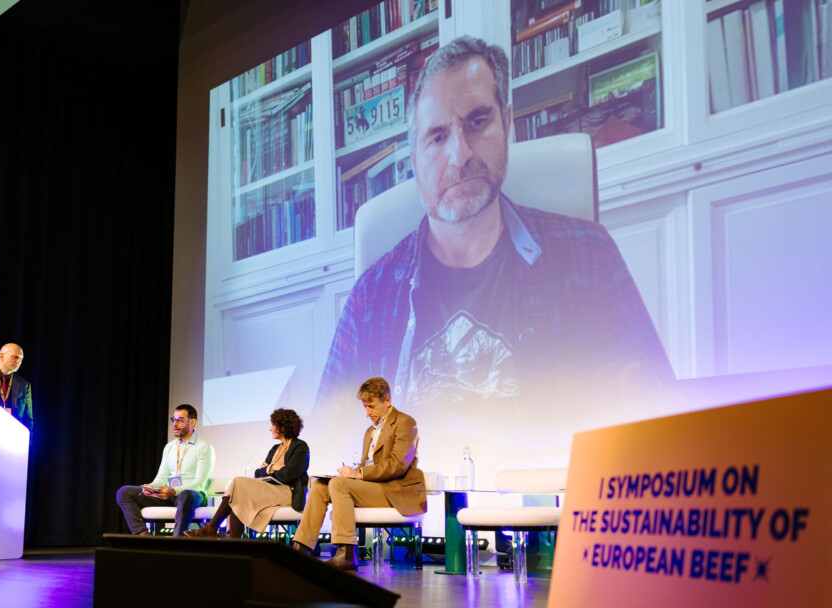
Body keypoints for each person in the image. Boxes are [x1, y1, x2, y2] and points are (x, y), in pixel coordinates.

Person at [315, 36, 673, 427]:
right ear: (414, 160)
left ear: (508, 125)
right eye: (437, 137)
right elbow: (324, 444)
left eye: (478, 122)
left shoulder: (590, 257)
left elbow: (658, 422)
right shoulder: (370, 298)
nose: (460, 154)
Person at [291, 377, 425, 571]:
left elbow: (398, 465)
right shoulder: (370, 431)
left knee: (339, 484)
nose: (367, 413)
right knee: (321, 485)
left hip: (395, 490)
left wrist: (359, 473)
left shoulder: (405, 422)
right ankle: (299, 550)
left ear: (387, 401)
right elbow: (364, 465)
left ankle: (346, 554)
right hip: (374, 487)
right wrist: (352, 473)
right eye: (365, 407)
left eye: (371, 406)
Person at [185, 408, 309, 539]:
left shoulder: (300, 447)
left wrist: (268, 469)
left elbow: (289, 474)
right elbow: (258, 473)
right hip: (271, 490)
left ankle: (211, 529)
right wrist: (273, 468)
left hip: (288, 493)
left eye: (273, 425)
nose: (270, 429)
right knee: (237, 499)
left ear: (283, 427)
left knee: (238, 482)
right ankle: (230, 543)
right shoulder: (275, 449)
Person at [115, 404, 215, 536]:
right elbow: (162, 477)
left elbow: (199, 483)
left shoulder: (204, 446)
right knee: (124, 492)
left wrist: (174, 490)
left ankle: (176, 540)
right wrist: (152, 487)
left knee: (186, 494)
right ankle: (142, 535)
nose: (175, 424)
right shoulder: (170, 447)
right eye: (174, 420)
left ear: (192, 422)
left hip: (194, 495)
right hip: (169, 494)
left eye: (180, 420)